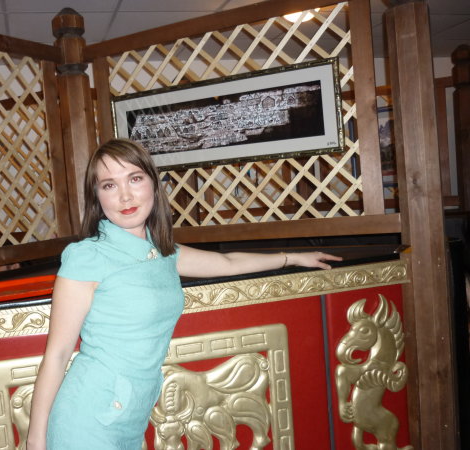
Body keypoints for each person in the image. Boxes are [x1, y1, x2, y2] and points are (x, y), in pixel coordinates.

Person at [26, 138, 341, 450]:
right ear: (97, 196)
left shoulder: (162, 252)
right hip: (87, 417)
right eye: (109, 185)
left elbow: (228, 263)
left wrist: (292, 257)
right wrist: (36, 440)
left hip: (130, 416)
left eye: (134, 179)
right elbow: (58, 354)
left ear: (153, 183)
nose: (125, 196)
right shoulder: (88, 256)